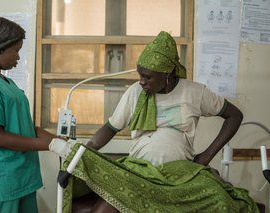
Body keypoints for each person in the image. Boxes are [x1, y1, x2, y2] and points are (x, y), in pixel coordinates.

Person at [79, 31, 245, 212]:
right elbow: (111, 127)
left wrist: (207, 156)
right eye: (140, 75)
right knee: (104, 209)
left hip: (182, 172)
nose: (141, 82)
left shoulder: (194, 92)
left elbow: (234, 116)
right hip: (138, 170)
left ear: (167, 75)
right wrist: (84, 152)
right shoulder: (135, 92)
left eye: (147, 77)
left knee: (221, 200)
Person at [0, 17, 71, 213]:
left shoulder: (6, 83)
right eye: (16, 51)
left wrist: (62, 142)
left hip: (21, 177)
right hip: (0, 179)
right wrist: (51, 145)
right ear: (0, 48)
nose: (18, 58)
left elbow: (27, 128)